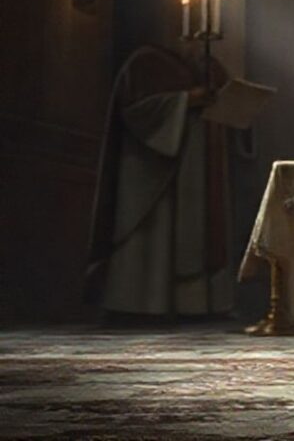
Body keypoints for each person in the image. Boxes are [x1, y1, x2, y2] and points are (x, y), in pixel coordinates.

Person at [86, 44, 234, 321]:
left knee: (193, 231)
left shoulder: (211, 67)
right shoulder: (145, 62)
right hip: (152, 170)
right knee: (156, 235)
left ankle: (197, 307)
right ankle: (141, 306)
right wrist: (186, 100)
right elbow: (134, 110)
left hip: (199, 167)